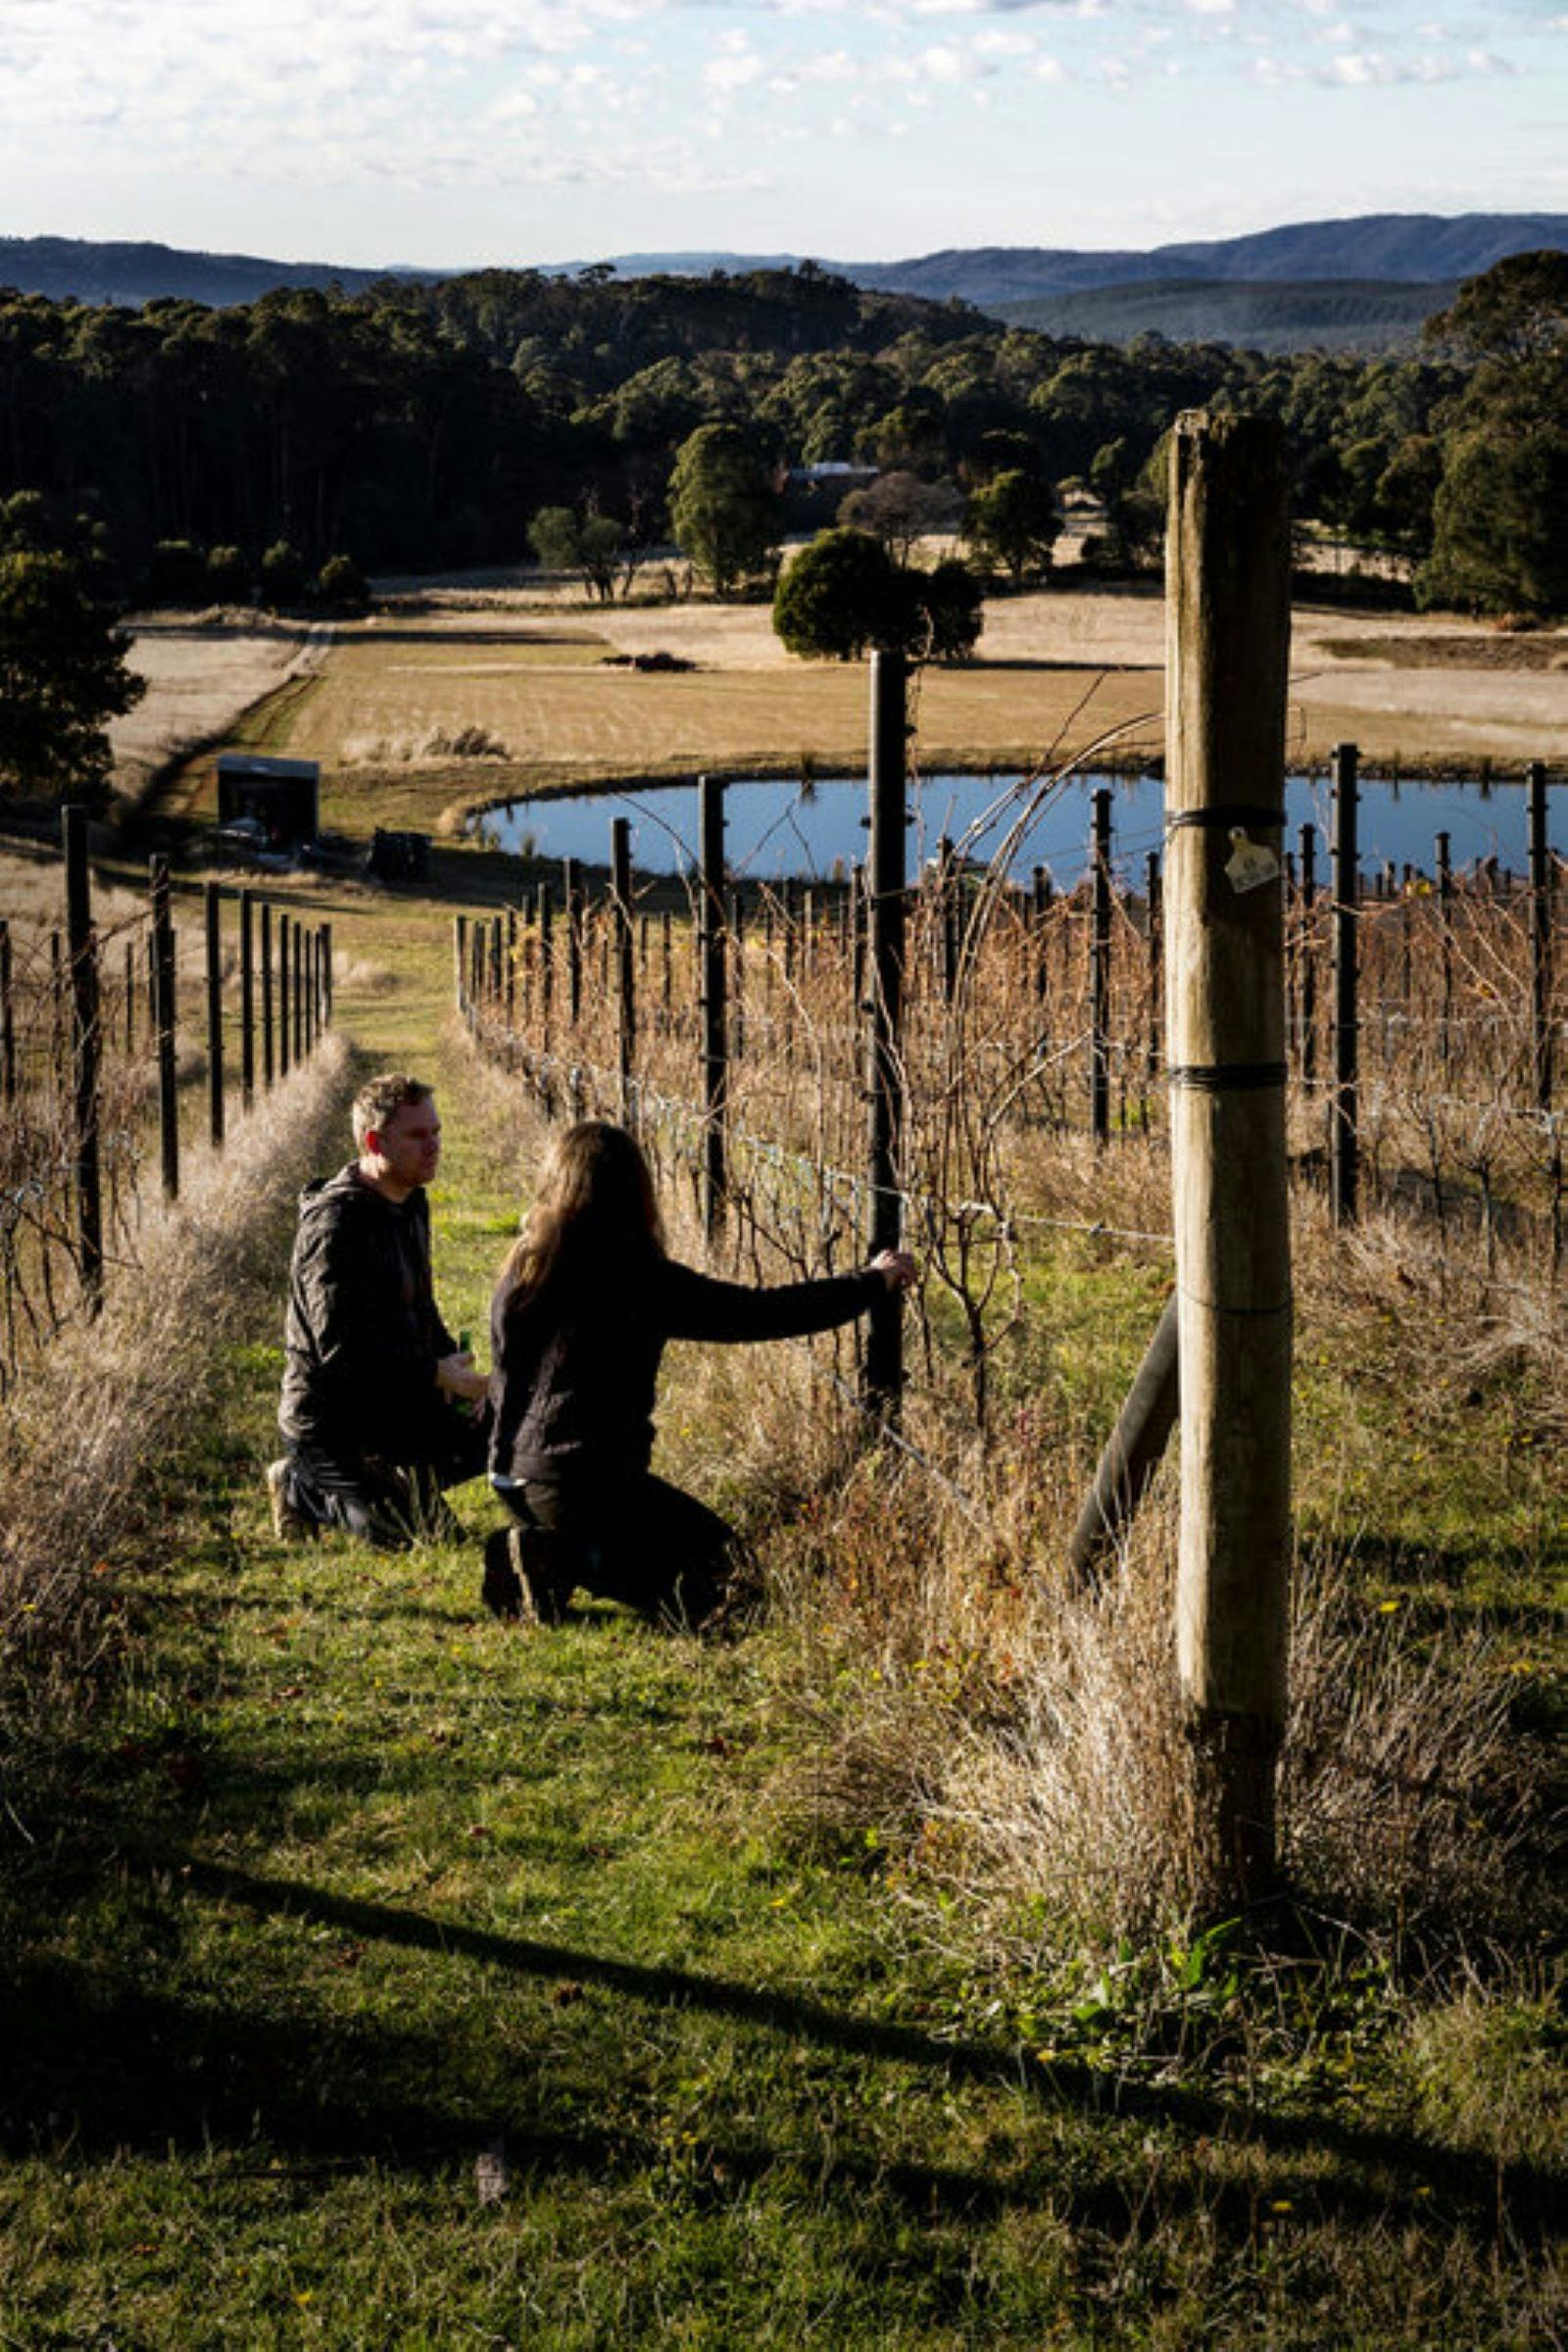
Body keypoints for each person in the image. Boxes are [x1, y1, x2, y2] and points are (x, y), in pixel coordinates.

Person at [483, 1118, 916, 1628]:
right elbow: (761, 1313)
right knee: (734, 1583)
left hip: (511, 1475)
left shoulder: (524, 1269)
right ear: (636, 1193)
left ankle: (551, 1553)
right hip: (585, 1484)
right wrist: (870, 1282)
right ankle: (561, 1558)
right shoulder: (636, 1278)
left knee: (690, 1561)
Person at [270, 1072, 491, 1546]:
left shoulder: (411, 1202)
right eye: (417, 1135)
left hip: (397, 1399)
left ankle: (401, 1480)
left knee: (508, 1419)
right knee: (420, 1535)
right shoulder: (335, 1230)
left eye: (436, 1133)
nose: (433, 1146)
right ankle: (300, 1485)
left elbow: (422, 1308)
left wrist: (457, 1380)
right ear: (374, 1141)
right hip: (332, 1423)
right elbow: (341, 1355)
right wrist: (435, 1374)